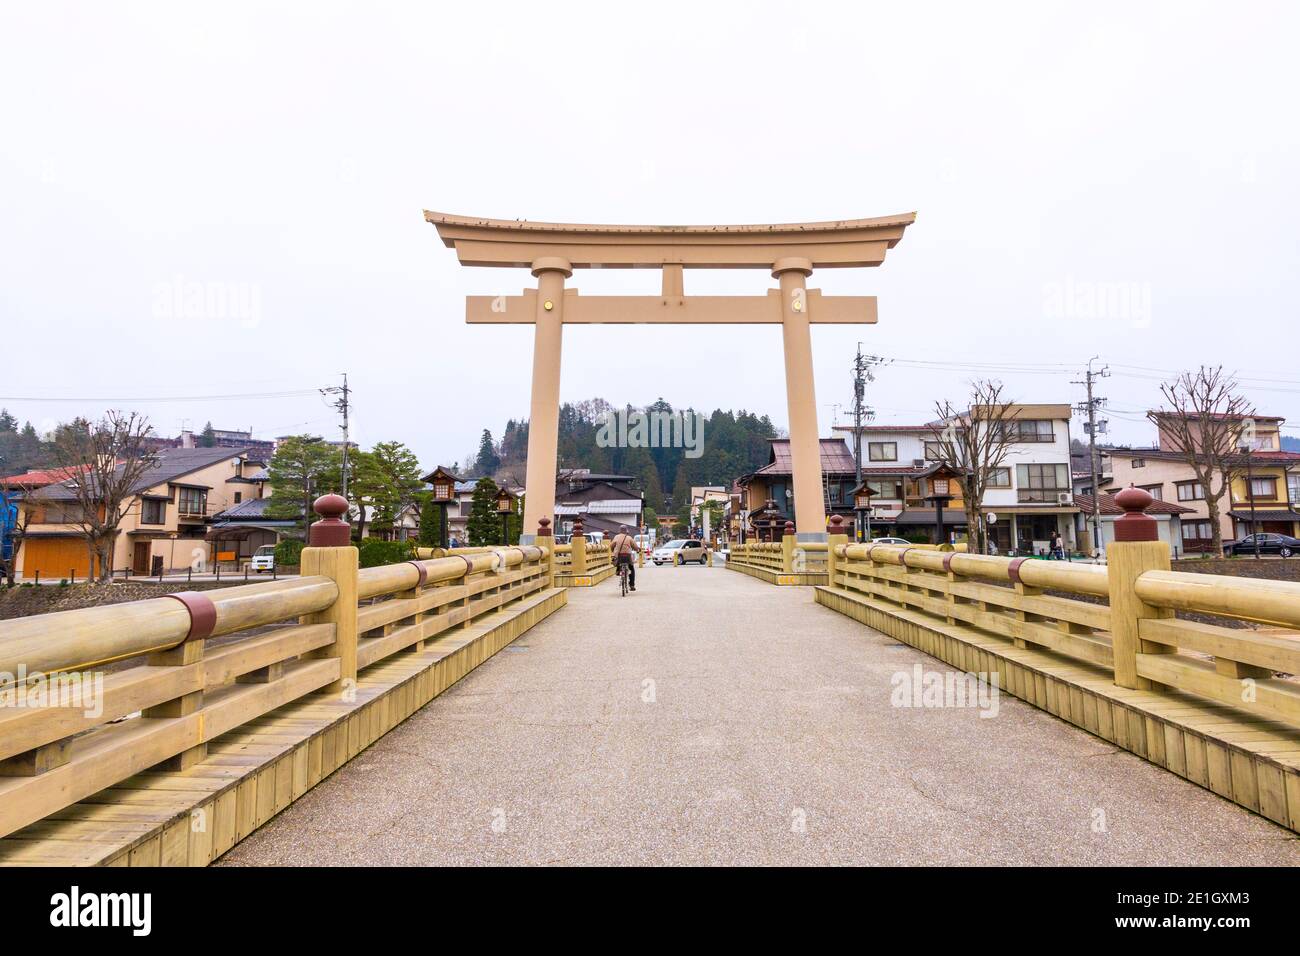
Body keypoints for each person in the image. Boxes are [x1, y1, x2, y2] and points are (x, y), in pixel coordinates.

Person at [610, 524, 637, 591]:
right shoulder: (629, 538)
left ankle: (618, 571)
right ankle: (632, 585)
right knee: (631, 568)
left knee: (617, 563)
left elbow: (611, 546)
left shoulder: (616, 537)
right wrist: (637, 549)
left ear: (620, 530)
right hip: (627, 556)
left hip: (619, 556)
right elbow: (635, 547)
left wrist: (613, 550)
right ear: (626, 531)